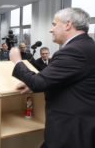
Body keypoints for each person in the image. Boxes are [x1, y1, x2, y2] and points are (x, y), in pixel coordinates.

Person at [9, 8, 95, 148]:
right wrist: (32, 84)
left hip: (71, 130)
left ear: (68, 25)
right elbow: (68, 80)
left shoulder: (74, 51)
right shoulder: (87, 45)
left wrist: (17, 61)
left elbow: (38, 82)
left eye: (54, 24)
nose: (51, 29)